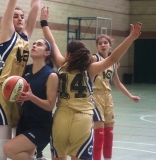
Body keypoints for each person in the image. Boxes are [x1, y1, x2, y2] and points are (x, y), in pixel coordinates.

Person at [40, 7, 142, 160]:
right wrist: (131, 38)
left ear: (68, 54)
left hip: (62, 115)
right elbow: (113, 58)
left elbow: (51, 41)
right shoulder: (90, 69)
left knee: (58, 156)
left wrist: (44, 22)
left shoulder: (62, 65)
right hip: (83, 117)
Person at [0, 1, 41, 160]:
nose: (20, 19)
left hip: (16, 92)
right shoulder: (7, 34)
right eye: (15, 16)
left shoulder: (25, 36)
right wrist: (12, 10)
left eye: (22, 17)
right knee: (3, 144)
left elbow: (35, 7)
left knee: (17, 144)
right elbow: (10, 6)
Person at [3, 38, 58, 160]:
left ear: (46, 53)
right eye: (34, 44)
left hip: (40, 124)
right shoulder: (26, 70)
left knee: (8, 149)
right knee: (23, 156)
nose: (34, 46)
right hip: (25, 121)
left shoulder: (51, 75)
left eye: (39, 45)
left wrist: (31, 97)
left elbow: (50, 106)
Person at [92, 35, 140, 160]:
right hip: (95, 97)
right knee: (100, 135)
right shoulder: (94, 58)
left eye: (105, 42)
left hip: (107, 98)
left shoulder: (113, 63)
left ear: (110, 45)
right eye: (100, 43)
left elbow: (117, 82)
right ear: (97, 46)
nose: (103, 45)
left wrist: (130, 96)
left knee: (109, 134)